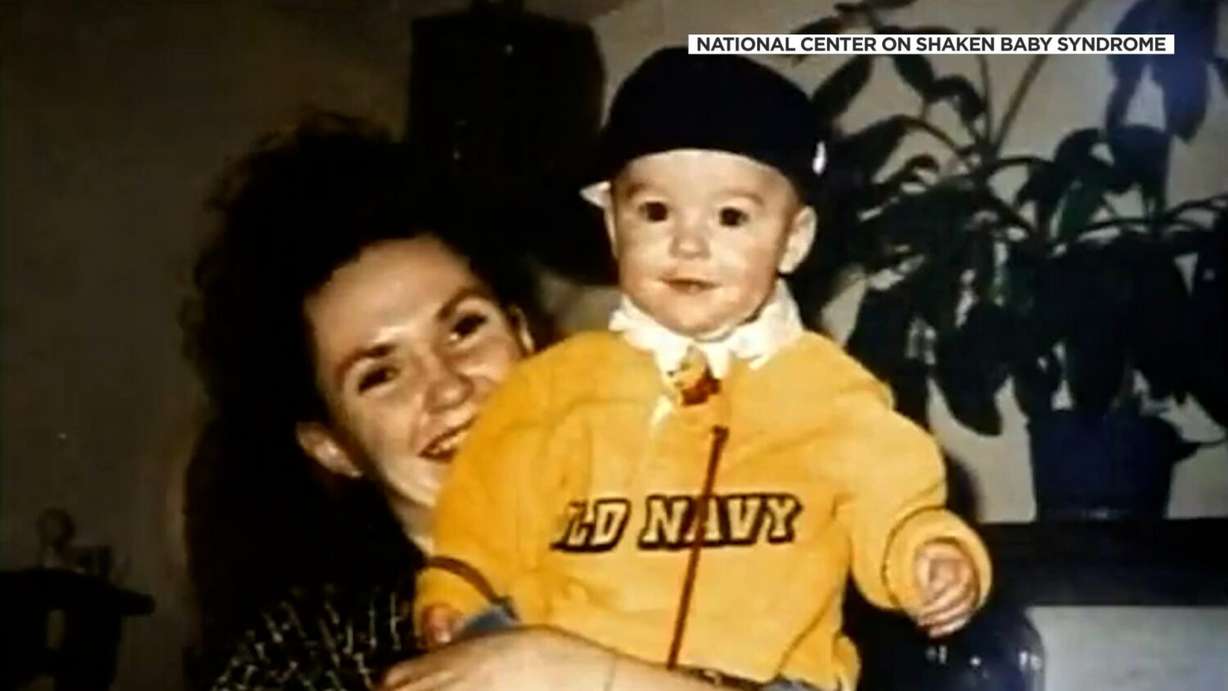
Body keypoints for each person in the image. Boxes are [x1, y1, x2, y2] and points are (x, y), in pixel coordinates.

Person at [415, 48, 993, 691]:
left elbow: (896, 496)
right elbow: (487, 505)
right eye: (656, 212)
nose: (689, 243)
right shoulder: (554, 387)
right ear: (611, 221)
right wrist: (457, 590)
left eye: (731, 217)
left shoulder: (830, 391)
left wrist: (927, 553)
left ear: (793, 239)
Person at [183, 110, 736, 691]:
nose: (448, 385)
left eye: (464, 327)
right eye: (380, 375)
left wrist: (582, 675)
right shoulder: (308, 650)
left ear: (523, 339)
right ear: (332, 448)